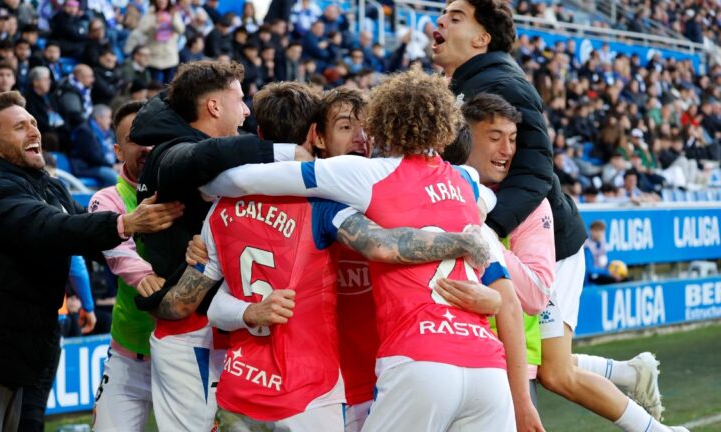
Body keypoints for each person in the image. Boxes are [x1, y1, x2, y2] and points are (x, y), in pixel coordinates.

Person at [201, 69, 516, 432]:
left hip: (416, 355)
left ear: (382, 122)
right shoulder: (466, 182)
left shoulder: (363, 175)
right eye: (346, 126)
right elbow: (495, 265)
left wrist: (206, 192)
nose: (360, 136)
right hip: (486, 363)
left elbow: (243, 179)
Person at [432, 2, 682, 431]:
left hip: (549, 249)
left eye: (455, 17)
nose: (440, 22)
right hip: (514, 244)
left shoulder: (502, 83)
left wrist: (484, 232)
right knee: (535, 361)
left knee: (553, 372)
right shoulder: (463, 84)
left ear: (481, 38)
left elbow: (534, 170)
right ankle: (628, 374)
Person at [0, 91, 183, 431]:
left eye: (33, 123)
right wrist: (125, 223)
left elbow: (89, 238)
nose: (34, 132)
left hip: (21, 352)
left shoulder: (49, 188)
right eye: (19, 127)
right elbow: (51, 227)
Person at [129, 60, 302, 431]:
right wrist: (290, 154)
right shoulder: (171, 152)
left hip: (228, 321)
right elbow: (201, 158)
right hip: (187, 330)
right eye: (239, 100)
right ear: (213, 107)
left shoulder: (178, 142)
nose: (246, 111)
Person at [459, 93, 547, 432]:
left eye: (512, 140)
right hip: (446, 357)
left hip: (509, 370)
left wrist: (486, 237)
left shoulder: (531, 205)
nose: (507, 150)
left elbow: (536, 294)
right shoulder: (437, 192)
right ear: (464, 136)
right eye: (495, 138)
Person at [90, 100, 159, 431]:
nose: (146, 146)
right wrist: (145, 277)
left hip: (189, 353)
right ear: (118, 150)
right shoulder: (106, 198)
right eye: (135, 139)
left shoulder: (192, 189)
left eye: (153, 136)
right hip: (128, 354)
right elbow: (119, 253)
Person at [70, 104, 118, 187]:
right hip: (86, 168)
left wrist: (119, 164)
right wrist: (112, 166)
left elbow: (116, 149)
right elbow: (93, 156)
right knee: (115, 177)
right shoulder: (84, 131)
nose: (110, 121)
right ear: (99, 118)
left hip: (103, 166)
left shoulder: (109, 133)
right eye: (108, 117)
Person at [55, 63, 95, 131]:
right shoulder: (69, 91)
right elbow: (75, 116)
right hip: (73, 130)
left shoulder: (84, 89)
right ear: (79, 77)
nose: (92, 80)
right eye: (89, 77)